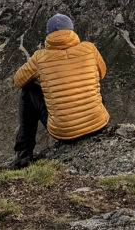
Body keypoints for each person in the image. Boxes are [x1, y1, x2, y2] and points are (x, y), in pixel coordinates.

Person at [11, 13, 109, 168]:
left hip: (66, 133)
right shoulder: (90, 48)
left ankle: (24, 152)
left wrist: (44, 78)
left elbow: (18, 81)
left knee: (28, 91)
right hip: (98, 126)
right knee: (91, 82)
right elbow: (101, 74)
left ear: (49, 35)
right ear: (71, 31)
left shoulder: (40, 57)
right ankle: (91, 117)